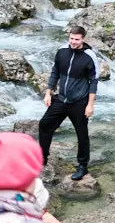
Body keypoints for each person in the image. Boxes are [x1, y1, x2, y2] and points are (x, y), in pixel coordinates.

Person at [38, 25, 98, 180]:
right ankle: (42, 158)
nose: (73, 42)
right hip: (61, 98)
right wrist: (48, 93)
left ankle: (83, 166)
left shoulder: (89, 56)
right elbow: (55, 72)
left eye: (77, 39)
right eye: (71, 38)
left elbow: (93, 82)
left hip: (79, 102)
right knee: (44, 124)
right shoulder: (62, 51)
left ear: (83, 39)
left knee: (82, 134)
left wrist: (90, 104)